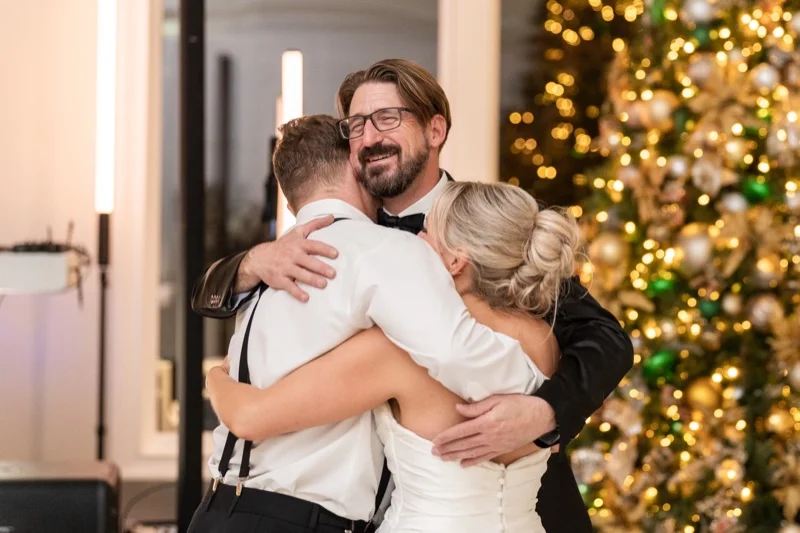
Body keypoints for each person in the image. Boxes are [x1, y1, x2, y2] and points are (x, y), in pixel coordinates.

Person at [191, 59, 634, 532]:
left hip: (521, 504)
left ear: (435, 129)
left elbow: (606, 339)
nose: (369, 137)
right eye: (356, 125)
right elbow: (209, 296)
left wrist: (545, 412)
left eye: (388, 118)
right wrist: (252, 262)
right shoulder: (345, 239)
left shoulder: (491, 224)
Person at [206, 178, 581, 532]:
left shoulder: (400, 351)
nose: (414, 242)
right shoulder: (547, 343)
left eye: (426, 235)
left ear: (455, 263)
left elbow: (249, 417)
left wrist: (217, 377)